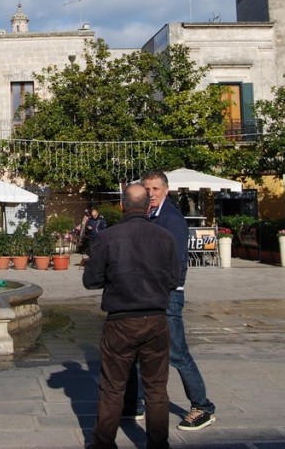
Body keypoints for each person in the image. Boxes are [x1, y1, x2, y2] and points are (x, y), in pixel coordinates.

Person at [83, 184, 180, 449]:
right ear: (148, 205)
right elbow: (174, 279)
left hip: (121, 320)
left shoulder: (106, 238)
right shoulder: (165, 237)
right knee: (157, 388)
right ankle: (158, 444)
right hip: (156, 319)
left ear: (122, 206)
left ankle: (103, 443)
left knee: (112, 386)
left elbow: (90, 281)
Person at [123, 170, 217, 431]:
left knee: (176, 353)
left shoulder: (171, 220)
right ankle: (137, 403)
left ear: (166, 190)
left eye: (155, 189)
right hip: (147, 294)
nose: (151, 193)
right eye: (147, 189)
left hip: (167, 295)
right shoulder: (149, 216)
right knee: (141, 350)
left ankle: (202, 407)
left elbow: (176, 264)